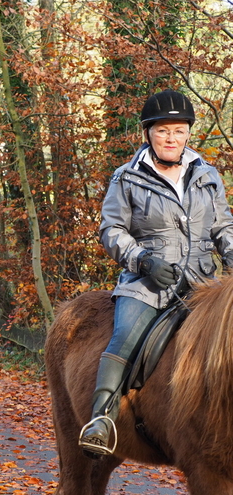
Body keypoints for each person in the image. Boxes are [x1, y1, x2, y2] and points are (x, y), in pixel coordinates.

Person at [78, 89, 233, 457]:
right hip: (147, 285)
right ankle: (101, 419)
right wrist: (143, 261)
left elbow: (224, 227)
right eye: (163, 130)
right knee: (125, 336)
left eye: (178, 131)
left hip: (201, 285)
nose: (171, 138)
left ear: (188, 134)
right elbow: (111, 230)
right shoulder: (126, 177)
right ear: (148, 133)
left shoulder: (207, 174)